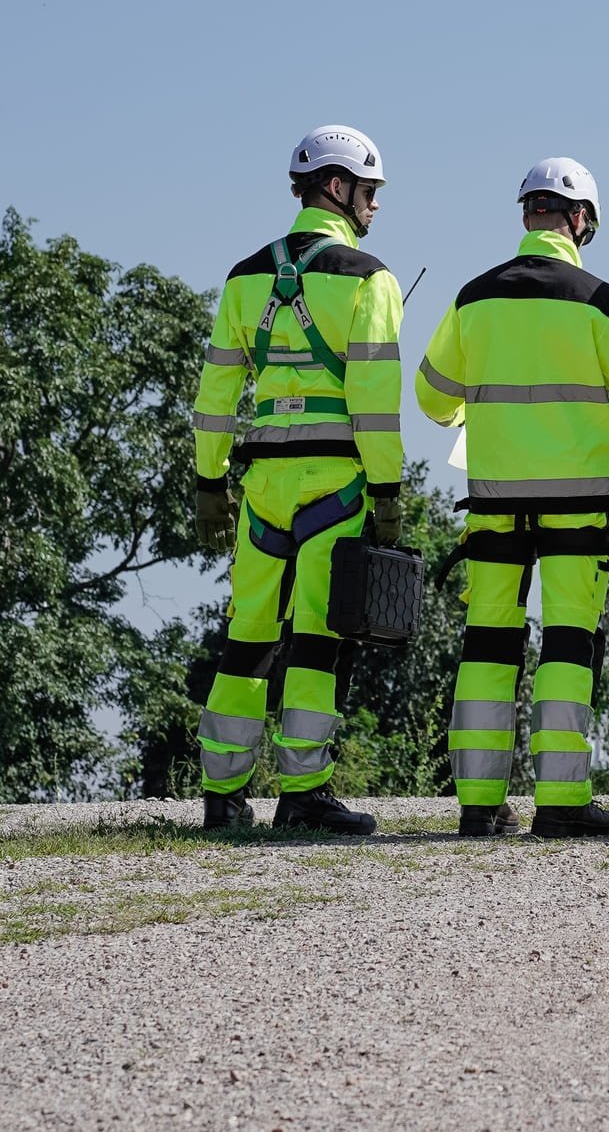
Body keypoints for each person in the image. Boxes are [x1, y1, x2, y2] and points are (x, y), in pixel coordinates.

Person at [415, 159, 609, 837]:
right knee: (567, 642)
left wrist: (481, 413)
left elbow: (431, 396)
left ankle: (478, 805)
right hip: (577, 507)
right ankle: (560, 804)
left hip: (495, 500)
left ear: (526, 214)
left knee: (488, 643)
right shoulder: (601, 301)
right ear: (582, 219)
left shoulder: (473, 299)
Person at [190, 124, 406, 835]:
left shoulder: (245, 277)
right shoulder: (369, 278)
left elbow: (217, 394)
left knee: (247, 633)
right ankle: (304, 792)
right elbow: (375, 403)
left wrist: (208, 483)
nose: (374, 206)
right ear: (338, 187)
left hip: (260, 489)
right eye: (369, 191)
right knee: (317, 636)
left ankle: (222, 795)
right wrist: (386, 493)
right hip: (335, 484)